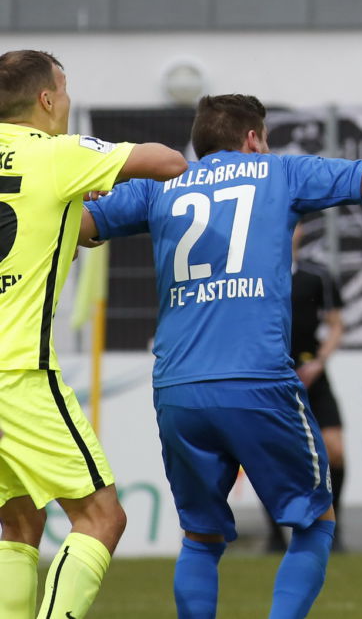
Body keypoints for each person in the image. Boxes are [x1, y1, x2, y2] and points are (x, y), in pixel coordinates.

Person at [81, 94, 362, 619]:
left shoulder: (160, 187)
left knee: (200, 536)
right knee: (314, 522)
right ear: (253, 138)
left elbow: (77, 226)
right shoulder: (276, 173)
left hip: (177, 386)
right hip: (256, 379)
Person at [0, 49, 186, 619]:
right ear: (48, 100)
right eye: (66, 91)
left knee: (19, 519)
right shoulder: (57, 153)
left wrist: (76, 209)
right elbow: (169, 162)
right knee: (102, 517)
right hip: (18, 373)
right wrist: (97, 173)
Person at [265, 224, 348, 554]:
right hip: (271, 378)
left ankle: (334, 529)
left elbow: (337, 326)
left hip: (311, 374)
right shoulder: (259, 275)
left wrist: (318, 363)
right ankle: (275, 535)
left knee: (335, 450)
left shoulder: (317, 276)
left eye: (295, 221)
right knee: (271, 457)